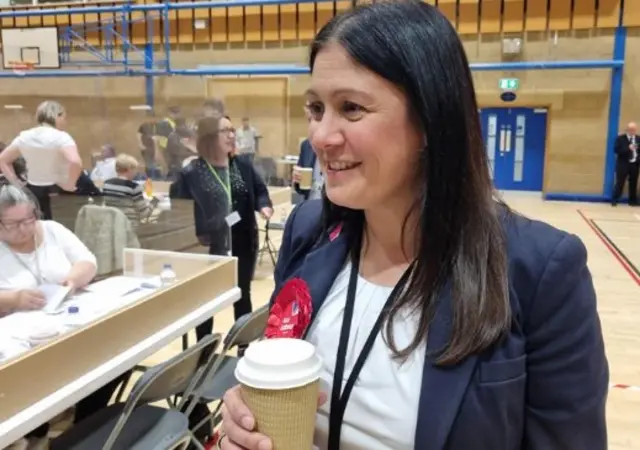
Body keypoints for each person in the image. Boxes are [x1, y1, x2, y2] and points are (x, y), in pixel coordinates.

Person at [218, 2, 608, 450]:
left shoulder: (539, 270)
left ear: (428, 120)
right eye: (315, 107)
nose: (321, 136)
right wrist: (248, 418)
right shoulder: (308, 232)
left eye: (351, 108)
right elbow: (279, 370)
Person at [0, 185, 126, 448]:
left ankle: (82, 423)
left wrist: (72, 280)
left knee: (113, 358)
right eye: (12, 225)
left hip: (69, 324)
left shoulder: (53, 231)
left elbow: (88, 261)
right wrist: (13, 299)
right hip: (21, 341)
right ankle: (38, 429)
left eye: (28, 219)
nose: (24, 229)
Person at [170, 116, 273, 341]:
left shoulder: (242, 164)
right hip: (209, 246)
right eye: (225, 130)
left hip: (243, 240)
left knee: (242, 294)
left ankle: (243, 347)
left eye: (232, 130)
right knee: (205, 299)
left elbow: (260, 190)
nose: (231, 135)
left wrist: (263, 205)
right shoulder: (192, 173)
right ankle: (203, 351)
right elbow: (179, 211)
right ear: (209, 138)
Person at [0, 101, 83, 220]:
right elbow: (75, 161)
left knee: (37, 225)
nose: (65, 121)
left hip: (32, 189)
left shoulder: (25, 136)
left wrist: (16, 183)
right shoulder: (61, 137)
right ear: (57, 116)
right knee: (59, 228)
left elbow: (3, 160)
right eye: (63, 117)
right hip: (58, 189)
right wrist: (70, 184)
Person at [102, 154, 156, 226]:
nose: (136, 172)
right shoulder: (133, 187)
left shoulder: (107, 184)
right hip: (129, 226)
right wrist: (155, 200)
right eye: (135, 169)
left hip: (111, 225)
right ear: (129, 169)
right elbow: (145, 213)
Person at [611, 121, 639, 206]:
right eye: (631, 129)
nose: (632, 131)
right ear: (627, 129)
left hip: (635, 164)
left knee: (633, 183)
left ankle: (632, 201)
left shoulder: (638, 138)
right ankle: (615, 199)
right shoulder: (620, 138)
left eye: (634, 129)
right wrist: (628, 148)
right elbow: (616, 150)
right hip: (623, 164)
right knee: (620, 182)